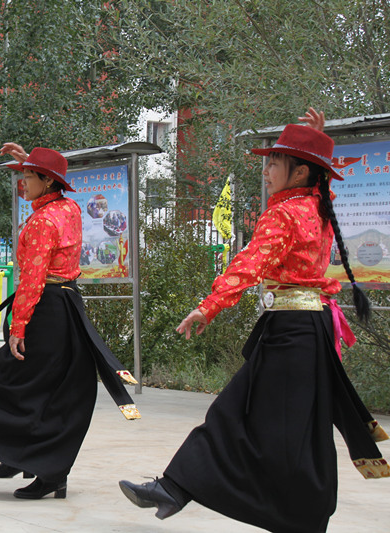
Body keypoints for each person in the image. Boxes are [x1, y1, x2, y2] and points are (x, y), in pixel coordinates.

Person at [119, 108, 389, 531]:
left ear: (299, 173)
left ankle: (181, 489)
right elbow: (322, 191)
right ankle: (179, 488)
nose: (266, 171)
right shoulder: (315, 208)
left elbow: (248, 264)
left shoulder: (285, 214)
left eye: (274, 163)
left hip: (292, 334)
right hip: (306, 332)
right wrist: (314, 144)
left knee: (243, 418)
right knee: (290, 427)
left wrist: (209, 306)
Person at [0, 145, 140, 499]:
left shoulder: (42, 222)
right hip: (66, 305)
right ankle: (20, 456)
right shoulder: (69, 208)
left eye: (27, 175)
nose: (22, 181)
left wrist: (18, 327)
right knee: (41, 388)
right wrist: (28, 159)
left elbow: (33, 277)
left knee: (10, 382)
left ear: (46, 180)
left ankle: (48, 471)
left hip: (44, 308)